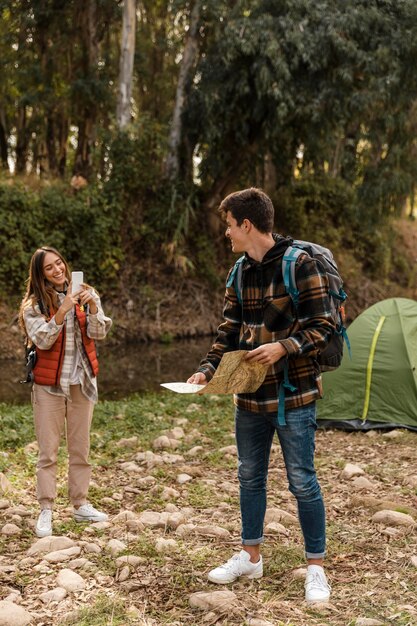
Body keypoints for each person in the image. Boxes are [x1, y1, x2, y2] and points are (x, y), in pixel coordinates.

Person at [187, 188, 335, 603]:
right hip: (248, 398)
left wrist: (282, 347)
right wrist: (206, 369)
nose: (227, 234)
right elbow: (228, 330)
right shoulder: (238, 271)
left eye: (230, 226)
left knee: (302, 482)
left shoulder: (300, 265)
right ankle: (250, 557)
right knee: (249, 477)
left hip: (294, 397)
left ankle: (315, 569)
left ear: (246, 224)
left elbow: (323, 327)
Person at [18, 246, 112, 538]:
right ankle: (46, 508)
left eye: (59, 263)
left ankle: (80, 504)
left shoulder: (86, 293)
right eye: (49, 268)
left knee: (80, 448)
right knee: (48, 453)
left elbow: (99, 334)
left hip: (81, 382)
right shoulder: (33, 305)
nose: (57, 270)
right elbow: (42, 341)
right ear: (40, 274)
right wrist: (62, 310)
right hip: (49, 387)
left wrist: (93, 307)